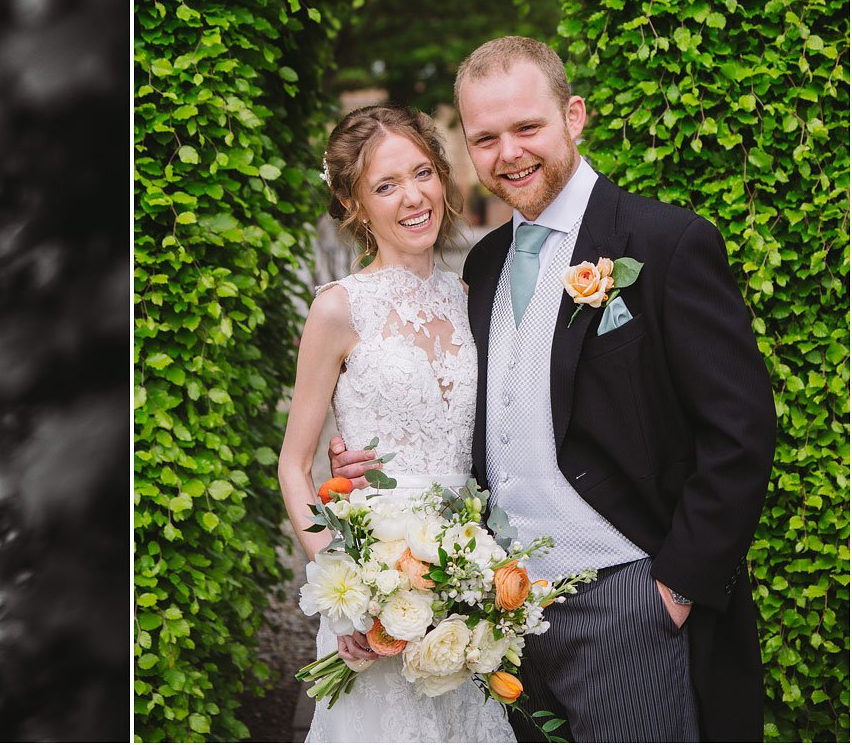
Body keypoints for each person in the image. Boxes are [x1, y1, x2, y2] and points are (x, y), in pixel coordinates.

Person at [331, 37, 776, 742]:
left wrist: (675, 590)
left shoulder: (663, 242)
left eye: (526, 128)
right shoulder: (483, 264)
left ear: (574, 116)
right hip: (497, 617)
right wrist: (371, 469)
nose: (508, 153)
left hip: (628, 600)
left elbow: (742, 430)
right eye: (485, 138)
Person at [279, 105, 515, 743]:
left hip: (468, 575)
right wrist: (342, 583)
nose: (413, 197)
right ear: (354, 204)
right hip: (375, 578)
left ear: (442, 177)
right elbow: (293, 465)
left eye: (422, 173)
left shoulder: (473, 296)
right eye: (386, 185)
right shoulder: (338, 309)